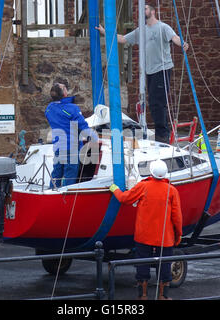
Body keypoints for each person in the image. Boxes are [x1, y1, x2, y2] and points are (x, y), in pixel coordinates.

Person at [96, 4, 189, 143]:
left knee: (158, 103)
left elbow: (174, 37)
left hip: (162, 69)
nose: (142, 10)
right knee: (153, 103)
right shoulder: (141, 30)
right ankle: (161, 133)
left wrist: (182, 43)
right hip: (149, 72)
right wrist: (105, 32)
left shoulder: (163, 27)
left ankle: (162, 136)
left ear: (152, 11)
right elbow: (122, 39)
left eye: (145, 8)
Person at [109, 159, 183, 300]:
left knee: (142, 264)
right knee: (165, 265)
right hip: (164, 237)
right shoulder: (171, 190)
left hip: (144, 235)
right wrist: (178, 234)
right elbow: (177, 217)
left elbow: (125, 199)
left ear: (151, 172)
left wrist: (115, 189)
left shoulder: (143, 187)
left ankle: (142, 295)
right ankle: (163, 296)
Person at [45, 82, 97, 188]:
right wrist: (93, 137)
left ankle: (52, 193)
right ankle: (67, 198)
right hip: (71, 147)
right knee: (70, 176)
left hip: (59, 146)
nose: (66, 88)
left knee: (57, 173)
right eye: (64, 87)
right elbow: (82, 126)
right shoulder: (72, 108)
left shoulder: (49, 108)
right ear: (64, 93)